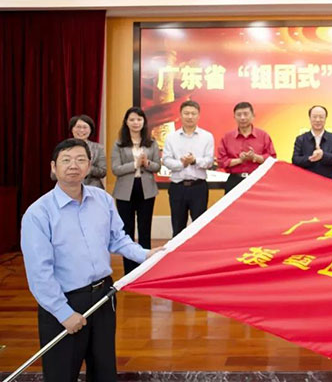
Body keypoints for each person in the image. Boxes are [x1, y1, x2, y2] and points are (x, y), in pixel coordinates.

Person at [21, 138, 164, 382]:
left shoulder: (102, 199)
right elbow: (39, 273)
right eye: (66, 160)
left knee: (103, 371)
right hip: (65, 301)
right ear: (53, 167)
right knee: (61, 374)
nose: (73, 166)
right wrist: (63, 313)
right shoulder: (38, 213)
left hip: (103, 297)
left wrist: (146, 254)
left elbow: (117, 239)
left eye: (80, 160)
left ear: (89, 166)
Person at [111, 107, 161, 274]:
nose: (135, 122)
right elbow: (116, 169)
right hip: (125, 191)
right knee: (127, 232)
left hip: (146, 190)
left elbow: (157, 166)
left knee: (145, 230)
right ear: (126, 122)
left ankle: (145, 270)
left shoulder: (151, 142)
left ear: (144, 122)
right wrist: (135, 164)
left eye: (139, 119)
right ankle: (130, 271)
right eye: (132, 119)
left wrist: (147, 163)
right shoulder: (119, 144)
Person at [162, 100, 214, 237]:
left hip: (198, 187)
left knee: (199, 229)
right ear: (180, 115)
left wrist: (195, 161)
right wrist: (182, 164)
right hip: (178, 187)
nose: (190, 116)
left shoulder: (207, 137)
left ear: (198, 116)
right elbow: (166, 160)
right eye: (186, 113)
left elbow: (209, 161)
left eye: (193, 113)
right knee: (178, 228)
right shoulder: (171, 137)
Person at [217, 102, 276, 192]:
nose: (242, 118)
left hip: (258, 180)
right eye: (239, 115)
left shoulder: (263, 136)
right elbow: (221, 161)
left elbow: (272, 159)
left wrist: (255, 157)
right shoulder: (227, 137)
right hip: (235, 181)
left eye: (246, 114)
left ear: (253, 116)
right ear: (234, 117)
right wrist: (240, 160)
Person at [52, 115, 107, 188]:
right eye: (78, 127)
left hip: (93, 188)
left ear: (90, 130)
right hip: (67, 188)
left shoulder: (98, 148)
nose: (81, 130)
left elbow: (103, 172)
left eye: (85, 127)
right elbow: (53, 175)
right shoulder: (62, 147)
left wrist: (85, 167)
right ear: (72, 129)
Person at [291, 105, 332, 179]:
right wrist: (310, 159)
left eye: (321, 117)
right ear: (310, 118)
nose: (318, 120)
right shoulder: (301, 139)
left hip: (327, 181)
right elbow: (295, 160)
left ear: (325, 118)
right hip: (306, 181)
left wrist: (323, 155)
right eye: (314, 117)